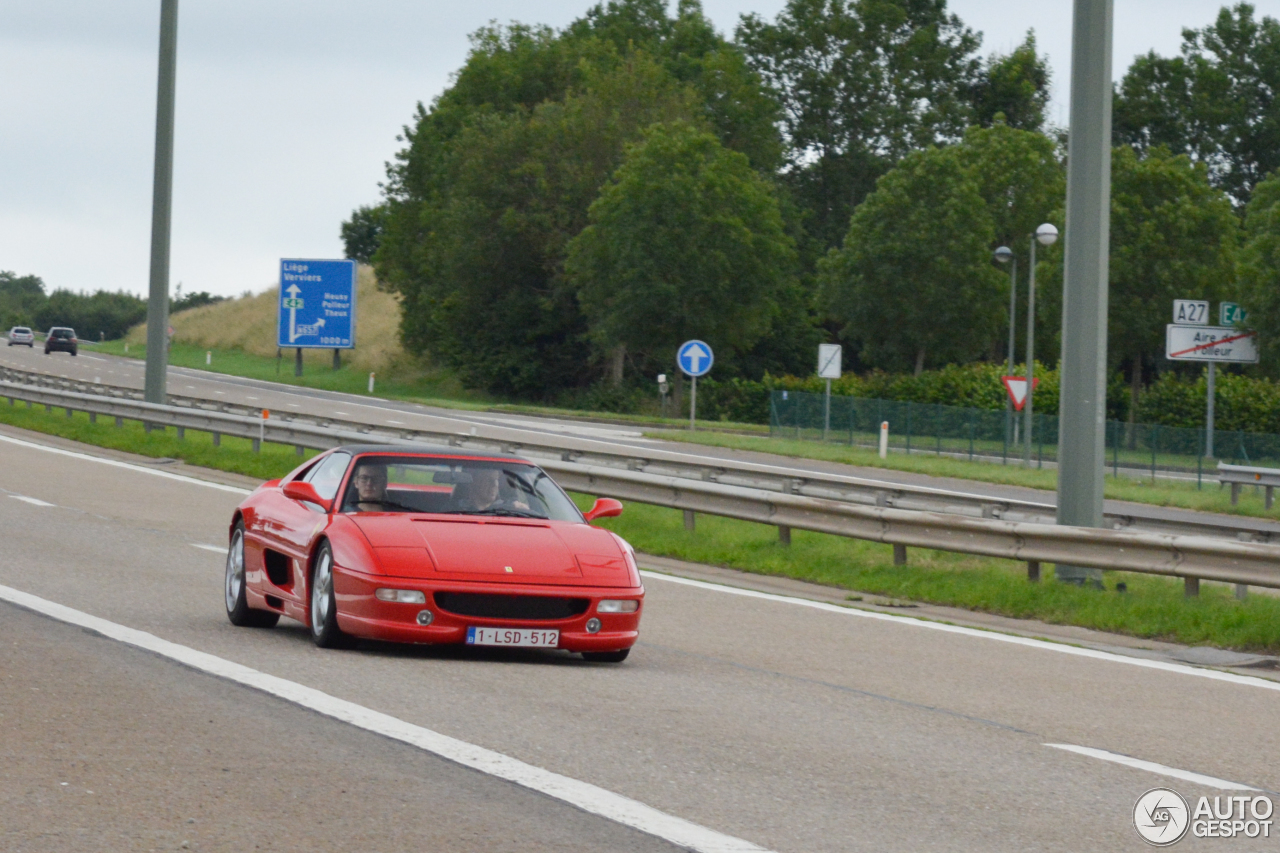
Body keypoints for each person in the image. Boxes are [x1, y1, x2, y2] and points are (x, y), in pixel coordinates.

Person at [452, 468, 531, 514]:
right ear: (475, 483)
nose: (495, 485)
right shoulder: (454, 509)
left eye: (496, 479)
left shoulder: (510, 510)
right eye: (489, 480)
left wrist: (522, 509)